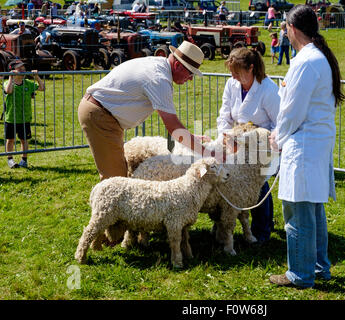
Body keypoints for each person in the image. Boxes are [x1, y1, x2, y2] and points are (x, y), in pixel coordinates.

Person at [268, 4, 345, 288]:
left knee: (298, 212)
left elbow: (291, 111)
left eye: (286, 28)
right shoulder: (315, 57)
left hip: (303, 143)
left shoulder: (305, 61)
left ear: (292, 28)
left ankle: (300, 274)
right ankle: (318, 267)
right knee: (312, 210)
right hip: (313, 142)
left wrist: (277, 137)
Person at [78, 41, 223, 181]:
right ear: (178, 65)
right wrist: (208, 154)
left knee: (119, 177)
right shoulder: (159, 79)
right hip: (100, 115)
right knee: (116, 181)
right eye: (190, 73)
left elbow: (171, 123)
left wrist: (189, 137)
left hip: (103, 113)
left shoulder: (158, 67)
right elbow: (173, 126)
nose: (190, 79)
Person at [216, 47, 280, 244]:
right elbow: (225, 114)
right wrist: (224, 136)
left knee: (258, 183)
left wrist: (263, 140)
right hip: (235, 142)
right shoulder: (232, 84)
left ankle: (262, 230)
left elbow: (280, 121)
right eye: (231, 73)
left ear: (251, 68)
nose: (233, 77)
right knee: (233, 181)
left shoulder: (268, 89)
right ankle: (221, 226)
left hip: (262, 144)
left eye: (237, 72)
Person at [4, 60, 45, 169]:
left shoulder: (28, 83)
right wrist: (10, 78)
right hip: (11, 118)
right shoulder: (8, 83)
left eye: (24, 69)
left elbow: (42, 88)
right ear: (12, 70)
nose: (23, 71)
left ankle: (24, 159)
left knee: (24, 140)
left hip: (24, 118)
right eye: (19, 69)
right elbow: (8, 91)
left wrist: (36, 77)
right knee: (10, 139)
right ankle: (10, 159)